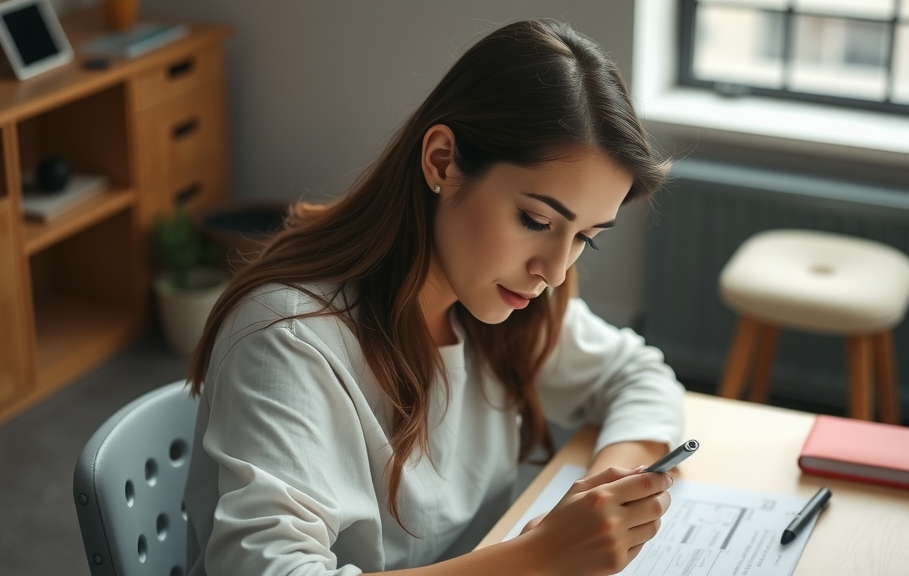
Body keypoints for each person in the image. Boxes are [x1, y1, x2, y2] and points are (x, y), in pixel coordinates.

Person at [183, 18, 685, 576]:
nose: (553, 271)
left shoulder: (505, 300)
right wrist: (535, 558)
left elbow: (639, 374)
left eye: (585, 240)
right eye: (535, 219)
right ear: (442, 161)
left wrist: (607, 498)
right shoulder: (289, 333)